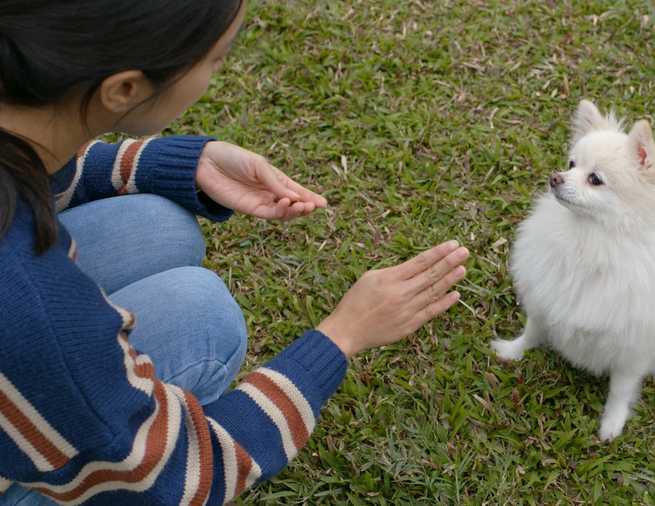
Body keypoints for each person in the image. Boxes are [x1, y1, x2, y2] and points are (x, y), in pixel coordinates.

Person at [0, 1, 469, 504]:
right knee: (206, 323)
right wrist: (343, 336)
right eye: (216, 59)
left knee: (160, 227)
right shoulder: (30, 302)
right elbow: (171, 476)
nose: (216, 71)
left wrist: (166, 162)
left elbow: (30, 169)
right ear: (125, 89)